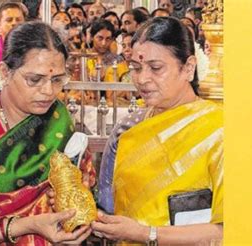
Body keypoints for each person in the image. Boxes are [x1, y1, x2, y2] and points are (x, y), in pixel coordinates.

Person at [0, 22, 93, 245]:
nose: (48, 91)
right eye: (34, 80)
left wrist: (72, 212)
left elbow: (78, 179)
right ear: (5, 72)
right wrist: (26, 225)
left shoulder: (57, 116)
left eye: (57, 80)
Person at [94, 17, 223, 245]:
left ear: (188, 67)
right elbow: (109, 207)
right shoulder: (131, 126)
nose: (142, 79)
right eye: (135, 67)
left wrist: (146, 235)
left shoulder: (218, 128)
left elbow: (229, 230)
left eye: (155, 68)